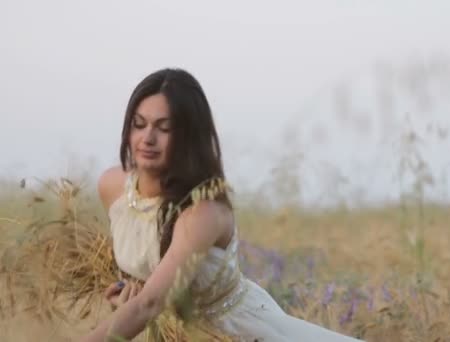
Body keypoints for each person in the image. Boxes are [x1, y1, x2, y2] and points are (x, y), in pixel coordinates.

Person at [81, 68, 363, 341]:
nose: (148, 139)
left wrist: (139, 303)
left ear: (188, 138)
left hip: (232, 333)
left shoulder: (202, 213)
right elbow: (147, 267)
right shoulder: (112, 186)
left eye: (164, 128)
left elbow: (150, 304)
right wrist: (127, 290)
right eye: (138, 124)